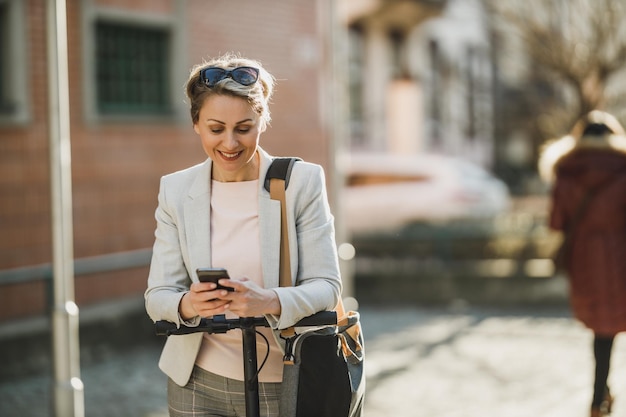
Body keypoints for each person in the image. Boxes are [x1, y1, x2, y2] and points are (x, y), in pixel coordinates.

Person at [144, 53, 342, 417]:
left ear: (262, 121)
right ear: (197, 125)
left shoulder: (301, 183)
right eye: (216, 129)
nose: (230, 143)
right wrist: (189, 305)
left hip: (283, 382)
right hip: (195, 383)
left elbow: (327, 287)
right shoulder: (175, 190)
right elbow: (158, 294)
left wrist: (269, 301)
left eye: (244, 128)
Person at [539, 110, 626, 417]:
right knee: (611, 327)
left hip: (585, 259)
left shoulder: (567, 170)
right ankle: (600, 396)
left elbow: (556, 222)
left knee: (602, 330)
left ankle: (597, 399)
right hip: (621, 256)